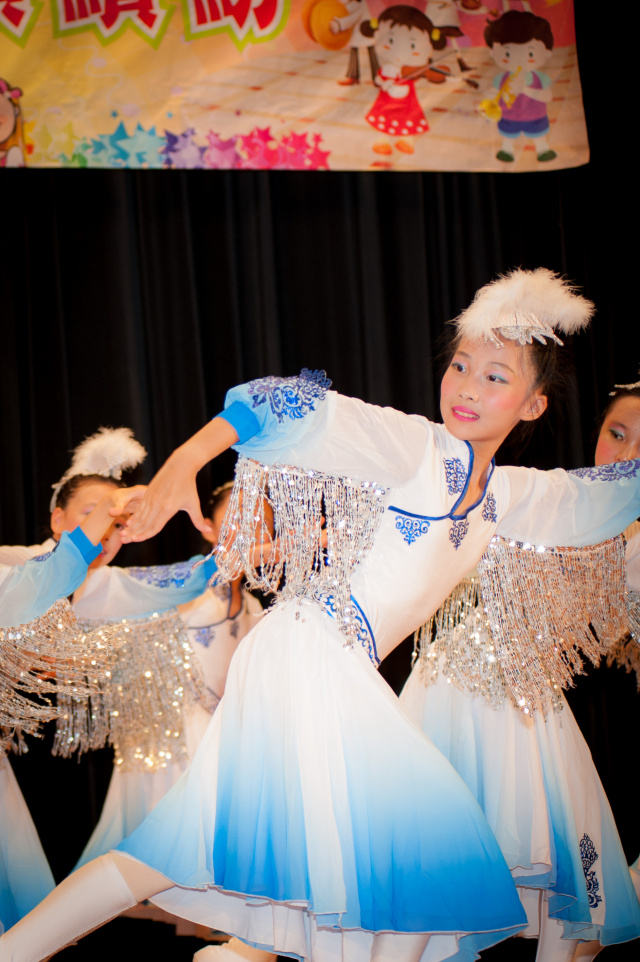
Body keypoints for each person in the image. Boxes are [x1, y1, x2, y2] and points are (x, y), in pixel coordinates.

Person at [4, 269, 640, 962]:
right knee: (432, 849)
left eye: (495, 377)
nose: (466, 387)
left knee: (183, 847)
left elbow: (608, 494)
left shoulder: (511, 497)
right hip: (312, 649)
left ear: (534, 405)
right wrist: (184, 461)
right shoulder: (418, 448)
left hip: (319, 659)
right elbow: (279, 402)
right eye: (460, 366)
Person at [400, 378, 640, 961]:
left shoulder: (631, 544)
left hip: (525, 727)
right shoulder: (546, 496)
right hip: (438, 702)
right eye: (616, 433)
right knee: (414, 896)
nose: (626, 455)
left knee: (575, 922)